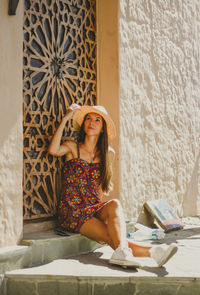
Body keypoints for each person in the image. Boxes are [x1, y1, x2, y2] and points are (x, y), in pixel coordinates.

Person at [48, 103, 178, 268]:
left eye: (97, 120)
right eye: (88, 118)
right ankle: (152, 252)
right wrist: (66, 118)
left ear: (102, 128)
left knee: (115, 204)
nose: (91, 122)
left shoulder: (108, 153)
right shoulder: (73, 147)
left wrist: (103, 215)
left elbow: (101, 186)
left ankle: (137, 253)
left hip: (92, 207)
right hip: (73, 210)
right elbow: (53, 150)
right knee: (113, 238)